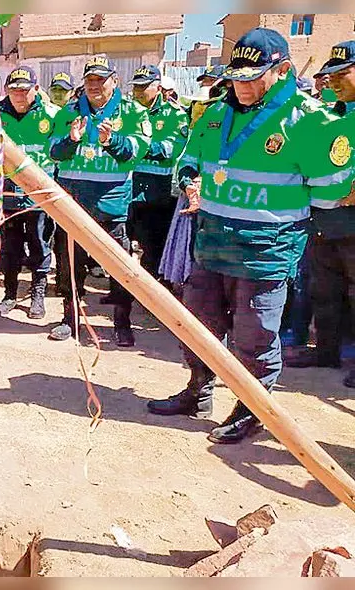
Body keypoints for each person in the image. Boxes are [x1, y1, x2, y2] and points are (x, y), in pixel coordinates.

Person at [146, 28, 348, 443]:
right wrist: (189, 181)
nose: (242, 85)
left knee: (253, 336)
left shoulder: (309, 121)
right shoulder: (217, 113)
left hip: (265, 249)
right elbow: (189, 159)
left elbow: (331, 191)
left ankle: (252, 407)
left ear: (283, 70)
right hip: (211, 241)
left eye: (253, 76)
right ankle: (198, 391)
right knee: (197, 324)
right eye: (237, 76)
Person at [49, 55, 151, 347]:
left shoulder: (132, 112)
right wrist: (70, 140)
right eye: (90, 80)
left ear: (114, 81)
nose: (94, 85)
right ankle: (70, 319)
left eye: (100, 80)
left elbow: (136, 151)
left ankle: (121, 322)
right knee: (69, 265)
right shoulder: (68, 112)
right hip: (72, 204)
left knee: (119, 268)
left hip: (111, 205)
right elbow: (53, 152)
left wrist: (112, 142)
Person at [285, 40, 355, 389]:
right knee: (323, 291)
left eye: (343, 73)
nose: (334, 81)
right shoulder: (330, 112)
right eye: (332, 75)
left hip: (353, 219)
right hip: (322, 217)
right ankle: (325, 351)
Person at [0, 66, 59, 319]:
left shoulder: (52, 115)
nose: (18, 95)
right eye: (14, 90)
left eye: (24, 90)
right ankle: (10, 295)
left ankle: (38, 295)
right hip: (7, 195)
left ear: (36, 90)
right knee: (9, 248)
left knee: (39, 245)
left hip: (38, 197)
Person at [129, 65, 189, 284]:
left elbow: (169, 150)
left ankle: (153, 292)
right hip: (128, 187)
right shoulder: (128, 111)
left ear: (158, 87)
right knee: (124, 244)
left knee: (152, 246)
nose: (138, 92)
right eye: (136, 87)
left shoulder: (175, 115)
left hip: (156, 190)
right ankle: (120, 294)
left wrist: (134, 146)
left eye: (144, 87)